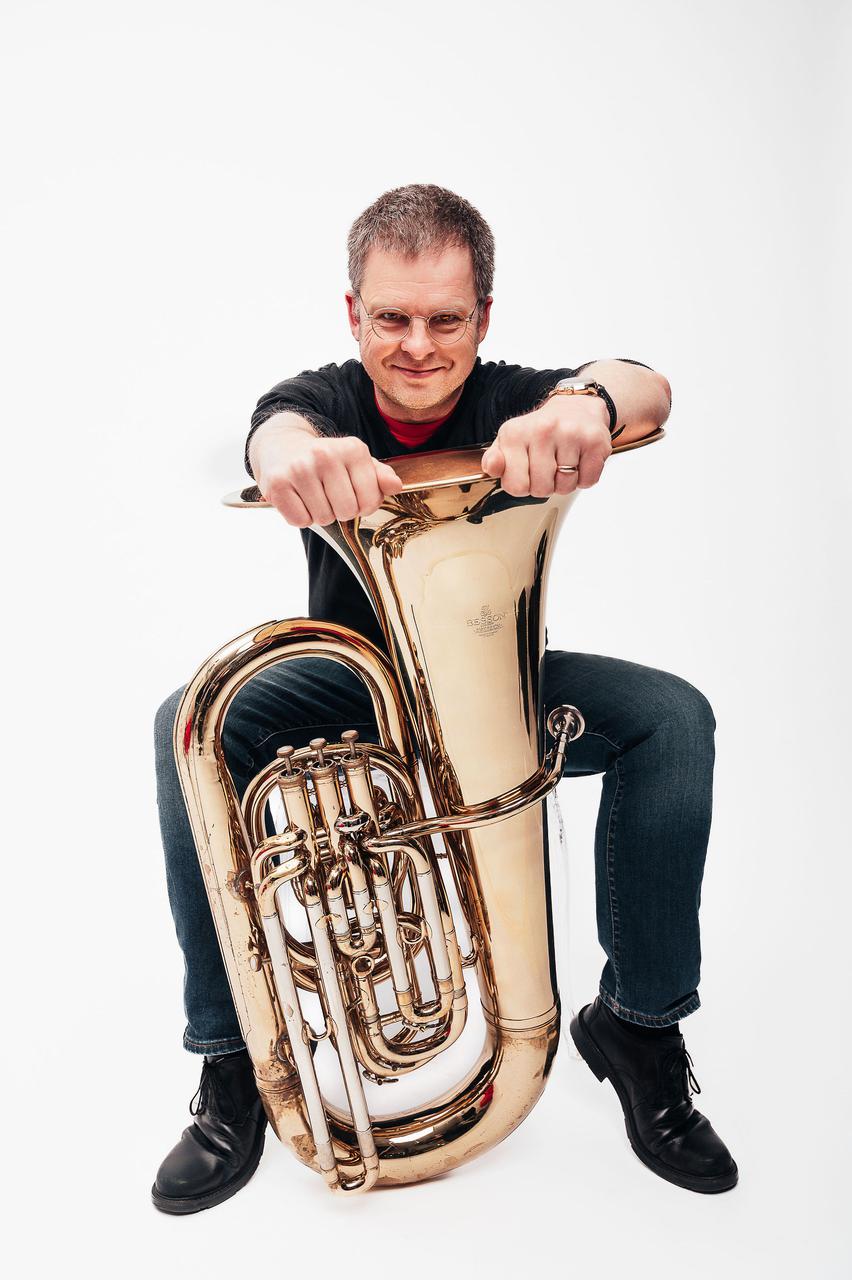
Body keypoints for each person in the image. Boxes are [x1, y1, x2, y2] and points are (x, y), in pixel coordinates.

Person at [152, 184, 737, 1214]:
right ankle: (233, 1058)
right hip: (350, 695)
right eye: (392, 317)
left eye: (445, 319)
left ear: (483, 319)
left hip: (495, 696)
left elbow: (643, 383)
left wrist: (583, 407)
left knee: (672, 718)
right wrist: (291, 456)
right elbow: (272, 435)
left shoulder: (519, 394)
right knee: (189, 720)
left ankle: (638, 1026)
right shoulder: (322, 398)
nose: (418, 344)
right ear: (353, 315)